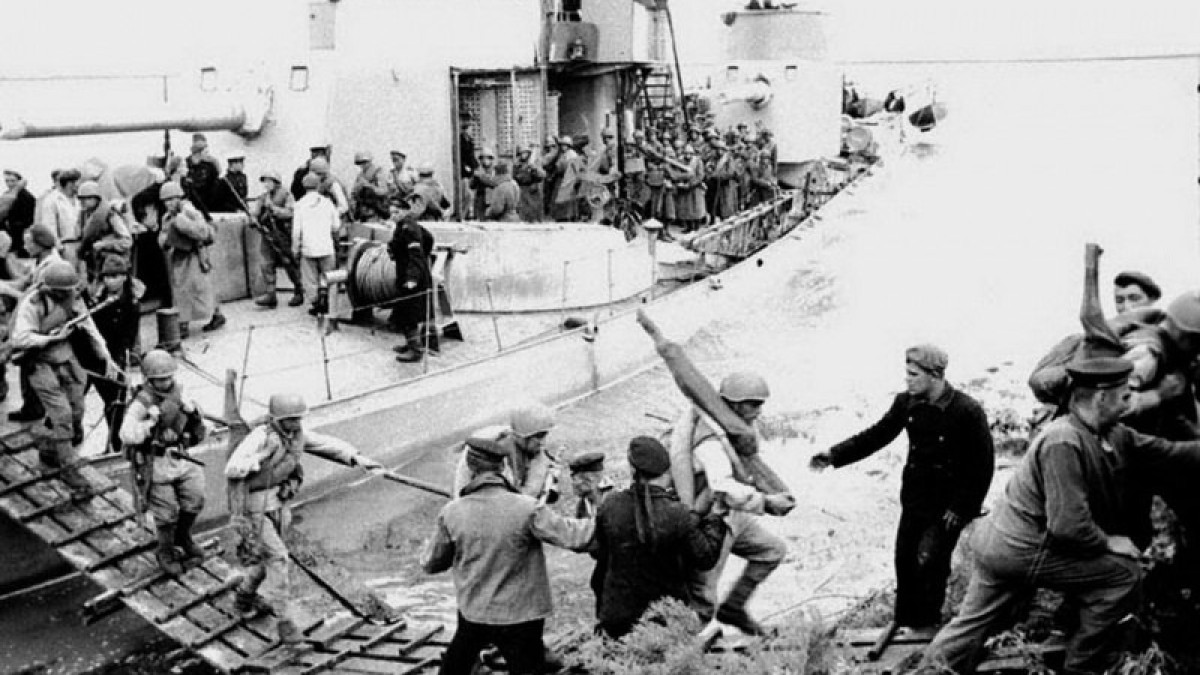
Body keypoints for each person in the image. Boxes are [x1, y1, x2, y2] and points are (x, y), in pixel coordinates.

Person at [917, 352, 1200, 674]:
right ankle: (1083, 665)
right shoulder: (1063, 441)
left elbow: (1168, 453)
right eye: (1124, 397)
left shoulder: (1110, 433)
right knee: (1123, 575)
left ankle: (930, 670)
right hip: (1021, 548)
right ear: (1101, 398)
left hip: (1003, 543)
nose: (1129, 404)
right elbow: (1068, 526)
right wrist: (1110, 542)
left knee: (972, 622)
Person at [811, 345, 995, 632]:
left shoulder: (967, 410)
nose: (907, 380)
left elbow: (982, 466)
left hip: (948, 507)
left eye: (913, 374)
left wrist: (962, 508)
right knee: (905, 561)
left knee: (930, 561)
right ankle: (905, 625)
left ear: (935, 375)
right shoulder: (906, 403)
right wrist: (835, 455)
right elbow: (878, 435)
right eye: (907, 373)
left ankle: (927, 626)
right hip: (915, 499)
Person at [421, 434, 594, 675]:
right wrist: (608, 511)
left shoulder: (451, 512)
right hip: (522, 616)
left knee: (454, 668)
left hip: (475, 613)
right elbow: (575, 537)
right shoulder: (527, 508)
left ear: (470, 468)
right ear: (503, 468)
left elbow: (431, 564)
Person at [226, 393, 383, 642]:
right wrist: (258, 458)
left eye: (298, 418)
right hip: (254, 509)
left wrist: (356, 458)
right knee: (278, 558)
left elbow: (324, 444)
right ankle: (284, 621)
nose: (296, 423)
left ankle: (243, 598)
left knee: (267, 560)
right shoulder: (260, 437)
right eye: (291, 419)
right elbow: (233, 468)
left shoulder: (295, 435)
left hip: (278, 505)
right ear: (277, 419)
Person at [675, 371, 791, 636]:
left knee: (771, 551)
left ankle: (734, 607)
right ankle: (682, 649)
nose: (759, 411)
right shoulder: (709, 440)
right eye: (754, 404)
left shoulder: (730, 427)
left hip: (731, 514)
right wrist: (766, 502)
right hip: (709, 522)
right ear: (735, 405)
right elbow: (722, 486)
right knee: (703, 599)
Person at [593, 436, 728, 638]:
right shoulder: (678, 514)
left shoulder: (610, 505)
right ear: (667, 471)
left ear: (632, 470)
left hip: (618, 619)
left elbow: (599, 552)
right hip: (665, 618)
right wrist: (715, 517)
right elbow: (705, 558)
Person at [11, 261, 115, 494]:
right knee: (62, 413)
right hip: (39, 361)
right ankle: (68, 466)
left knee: (77, 407)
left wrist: (106, 356)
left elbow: (89, 326)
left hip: (65, 358)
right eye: (61, 291)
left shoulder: (72, 298)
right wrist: (50, 338)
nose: (66, 295)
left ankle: (52, 448)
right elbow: (20, 338)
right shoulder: (33, 303)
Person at [119, 349, 207, 574]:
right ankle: (165, 550)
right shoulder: (143, 401)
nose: (165, 382)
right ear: (149, 379)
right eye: (159, 379)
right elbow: (126, 434)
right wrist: (150, 422)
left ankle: (183, 537)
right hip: (156, 462)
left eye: (168, 377)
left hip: (181, 456)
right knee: (166, 513)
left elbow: (200, 426)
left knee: (195, 498)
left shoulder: (180, 393)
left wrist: (193, 412)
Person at [1, 224, 68, 422]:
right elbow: (24, 283)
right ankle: (32, 406)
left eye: (28, 242)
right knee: (27, 361)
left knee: (32, 361)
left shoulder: (51, 267)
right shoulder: (41, 261)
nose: (24, 246)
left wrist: (7, 290)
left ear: (40, 244)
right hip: (37, 317)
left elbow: (32, 296)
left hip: (44, 320)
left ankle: (37, 408)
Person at [87, 256, 143, 454]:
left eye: (115, 276)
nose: (110, 281)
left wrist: (121, 359)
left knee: (115, 403)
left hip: (114, 356)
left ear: (125, 277)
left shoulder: (131, 302)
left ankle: (116, 445)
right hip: (90, 355)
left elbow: (129, 335)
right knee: (74, 398)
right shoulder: (95, 298)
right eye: (107, 276)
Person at [452, 403, 561, 499]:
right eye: (538, 436)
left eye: (544, 435)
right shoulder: (491, 451)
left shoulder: (534, 451)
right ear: (522, 436)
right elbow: (462, 483)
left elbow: (529, 493)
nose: (542, 442)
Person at [159, 181, 224, 337]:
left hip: (195, 254)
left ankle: (213, 315)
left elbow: (203, 232)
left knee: (201, 288)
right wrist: (165, 240)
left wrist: (182, 223)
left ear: (179, 197)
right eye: (165, 201)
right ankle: (184, 322)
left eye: (171, 199)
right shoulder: (167, 217)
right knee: (182, 290)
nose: (168, 204)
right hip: (179, 256)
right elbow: (162, 236)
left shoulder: (190, 212)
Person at [388, 210, 435, 361]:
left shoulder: (409, 229)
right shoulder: (403, 226)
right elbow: (429, 238)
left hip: (412, 277)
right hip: (405, 274)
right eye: (391, 212)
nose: (392, 215)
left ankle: (415, 350)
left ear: (404, 211)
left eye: (396, 212)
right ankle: (410, 344)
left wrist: (412, 278)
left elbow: (416, 255)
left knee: (410, 314)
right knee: (403, 311)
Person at [252, 170, 303, 308]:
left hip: (283, 234)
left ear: (276, 182)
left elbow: (291, 212)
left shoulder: (286, 195)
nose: (266, 184)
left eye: (269, 181)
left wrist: (274, 210)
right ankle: (271, 294)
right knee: (266, 264)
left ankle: (299, 290)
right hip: (268, 234)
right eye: (265, 181)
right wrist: (254, 218)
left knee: (289, 263)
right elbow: (255, 211)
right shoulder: (263, 197)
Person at [292, 173, 340, 316]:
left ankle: (316, 303)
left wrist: (295, 248)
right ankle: (327, 300)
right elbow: (336, 226)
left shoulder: (299, 205)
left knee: (310, 278)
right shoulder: (327, 203)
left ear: (304, 186)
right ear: (318, 185)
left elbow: (296, 231)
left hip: (308, 248)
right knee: (329, 275)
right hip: (326, 246)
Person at [77, 180, 134, 279]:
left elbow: (127, 241)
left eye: (88, 198)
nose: (83, 202)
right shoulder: (83, 216)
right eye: (81, 198)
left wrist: (104, 244)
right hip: (94, 264)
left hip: (114, 265)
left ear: (97, 198)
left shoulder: (110, 214)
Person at [38, 168, 82, 265]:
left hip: (82, 244)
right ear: (70, 183)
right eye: (79, 182)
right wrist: (59, 247)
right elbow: (50, 226)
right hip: (66, 245)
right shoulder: (52, 200)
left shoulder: (79, 199)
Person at [183, 133, 223, 212]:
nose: (208, 155)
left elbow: (216, 180)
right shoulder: (185, 165)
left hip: (207, 203)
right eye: (206, 152)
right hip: (191, 203)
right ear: (199, 153)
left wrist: (215, 163)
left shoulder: (209, 165)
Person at [1, 169, 36, 257]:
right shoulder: (7, 195)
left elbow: (29, 219)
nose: (9, 184)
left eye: (12, 181)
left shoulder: (27, 197)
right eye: (7, 181)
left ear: (19, 181)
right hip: (10, 235)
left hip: (20, 236)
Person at [568, 451, 613, 519]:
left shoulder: (615, 502)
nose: (572, 484)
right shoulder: (582, 505)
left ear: (590, 479)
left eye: (575, 479)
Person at [351, 151, 390, 221]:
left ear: (369, 161)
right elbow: (354, 193)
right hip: (363, 209)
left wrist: (368, 185)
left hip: (377, 208)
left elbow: (383, 191)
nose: (362, 165)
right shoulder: (360, 175)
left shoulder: (378, 171)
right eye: (360, 163)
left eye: (364, 162)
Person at [513, 146, 546, 222]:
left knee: (535, 211)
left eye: (526, 153)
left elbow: (542, 175)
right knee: (523, 211)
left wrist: (534, 169)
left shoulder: (534, 163)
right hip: (522, 189)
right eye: (522, 153)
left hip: (533, 190)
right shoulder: (517, 165)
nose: (524, 155)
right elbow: (515, 177)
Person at [469, 147, 498, 221]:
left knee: (490, 219)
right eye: (482, 158)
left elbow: (493, 183)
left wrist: (481, 177)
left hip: (491, 198)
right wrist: (475, 178)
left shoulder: (494, 170)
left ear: (491, 159)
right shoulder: (478, 170)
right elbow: (471, 186)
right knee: (480, 219)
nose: (484, 161)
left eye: (487, 158)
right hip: (480, 197)